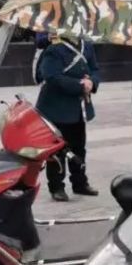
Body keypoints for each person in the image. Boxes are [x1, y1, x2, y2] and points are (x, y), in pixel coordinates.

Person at [35, 33, 100, 202]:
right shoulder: (54, 48)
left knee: (79, 147)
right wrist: (80, 85)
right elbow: (51, 76)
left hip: (78, 108)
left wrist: (92, 82)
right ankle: (57, 187)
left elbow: (94, 69)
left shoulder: (87, 45)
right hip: (56, 107)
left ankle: (80, 183)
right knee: (57, 151)